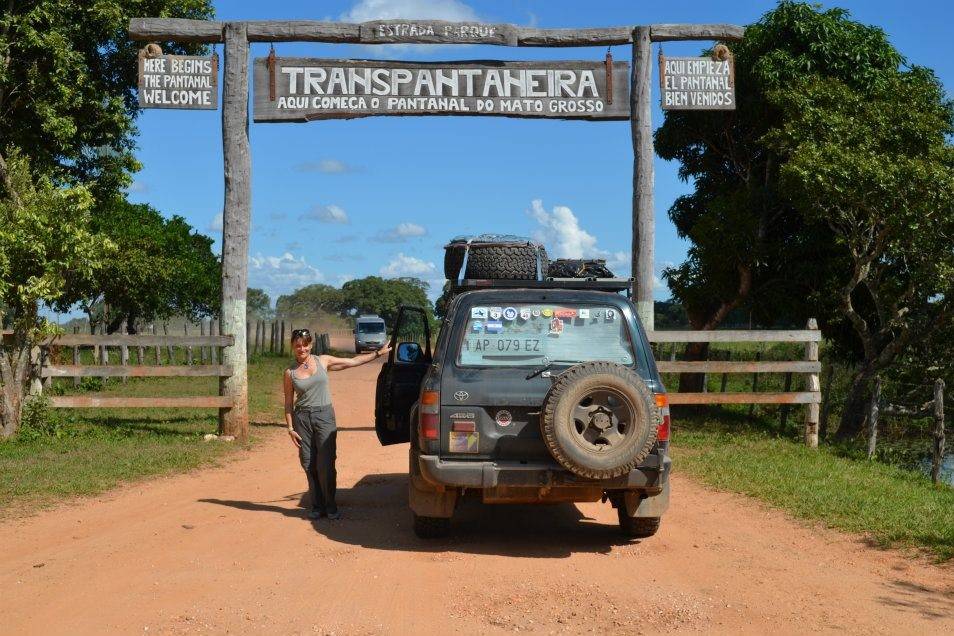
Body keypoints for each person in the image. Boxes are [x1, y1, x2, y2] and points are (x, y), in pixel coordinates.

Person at [284, 328, 391, 520]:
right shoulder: (290, 373)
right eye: (298, 345)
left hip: (324, 416)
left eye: (305, 344)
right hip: (302, 420)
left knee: (326, 463)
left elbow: (352, 362)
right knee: (308, 463)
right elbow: (288, 403)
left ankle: (330, 504)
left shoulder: (323, 361)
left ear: (311, 344)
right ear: (293, 346)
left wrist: (378, 353)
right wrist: (290, 428)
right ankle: (317, 506)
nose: (302, 348)